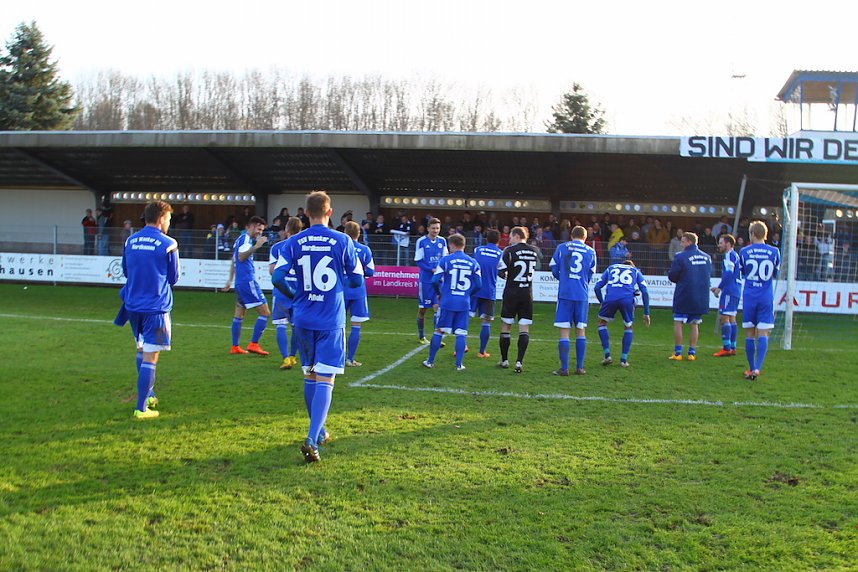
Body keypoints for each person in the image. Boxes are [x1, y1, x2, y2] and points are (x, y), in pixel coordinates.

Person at [271, 190, 363, 463]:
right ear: (330, 212)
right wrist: (338, 289)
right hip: (330, 319)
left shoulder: (293, 242)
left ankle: (320, 430)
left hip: (303, 318)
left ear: (305, 213)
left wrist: (295, 296)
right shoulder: (342, 240)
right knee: (326, 378)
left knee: (310, 375)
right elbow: (357, 280)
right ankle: (312, 438)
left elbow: (277, 278)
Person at [113, 200, 179, 420]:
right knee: (151, 357)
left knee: (141, 350)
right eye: (169, 219)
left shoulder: (130, 240)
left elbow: (125, 270)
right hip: (156, 308)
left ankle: (149, 394)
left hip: (133, 306)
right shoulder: (169, 243)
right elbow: (174, 278)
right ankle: (141, 408)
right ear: (161, 219)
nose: (169, 223)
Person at [421, 233, 482, 371]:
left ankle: (430, 361)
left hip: (447, 300)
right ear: (464, 245)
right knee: (461, 332)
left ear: (452, 245)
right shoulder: (473, 263)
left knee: (439, 330)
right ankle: (459, 364)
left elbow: (435, 280)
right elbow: (479, 285)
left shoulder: (445, 260)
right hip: (463, 302)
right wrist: (468, 293)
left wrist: (439, 293)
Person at [550, 225, 597, 375]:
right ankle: (580, 367)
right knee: (580, 330)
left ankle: (564, 368)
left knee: (564, 331)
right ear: (585, 238)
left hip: (565, 293)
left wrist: (563, 278)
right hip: (581, 294)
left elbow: (554, 269)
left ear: (571, 235)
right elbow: (590, 274)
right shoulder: (591, 251)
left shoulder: (562, 247)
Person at [739, 221, 781, 380]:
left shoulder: (744, 251)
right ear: (765, 234)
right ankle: (757, 368)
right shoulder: (774, 251)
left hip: (750, 296)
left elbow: (742, 272)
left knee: (750, 333)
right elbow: (775, 273)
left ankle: (751, 368)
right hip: (765, 296)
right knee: (763, 332)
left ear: (752, 234)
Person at [223, 216, 271, 355]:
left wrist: (230, 279)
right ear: (250, 227)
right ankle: (254, 344)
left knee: (239, 314)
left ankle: (235, 347)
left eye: (261, 230)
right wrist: (256, 246)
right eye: (258, 229)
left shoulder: (240, 239)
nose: (259, 233)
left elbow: (234, 259)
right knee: (265, 313)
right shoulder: (246, 240)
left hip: (240, 282)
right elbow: (241, 257)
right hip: (247, 281)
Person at [497, 226, 542, 373]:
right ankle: (519, 362)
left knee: (506, 326)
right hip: (527, 293)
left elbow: (500, 272)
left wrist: (509, 276)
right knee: (524, 327)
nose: (509, 239)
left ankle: (504, 360)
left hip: (511, 292)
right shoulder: (534, 250)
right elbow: (538, 266)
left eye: (510, 236)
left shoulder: (509, 250)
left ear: (516, 236)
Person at [593, 259, 651, 367]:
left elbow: (597, 287)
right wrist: (646, 312)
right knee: (628, 327)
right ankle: (623, 360)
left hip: (610, 298)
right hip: (627, 299)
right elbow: (645, 292)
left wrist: (602, 302)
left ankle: (607, 355)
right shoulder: (635, 271)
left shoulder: (611, 268)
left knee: (602, 323)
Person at [667, 232, 713, 361]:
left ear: (689, 242)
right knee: (694, 324)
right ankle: (692, 353)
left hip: (684, 293)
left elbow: (673, 276)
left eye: (682, 241)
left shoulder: (680, 257)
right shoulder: (707, 257)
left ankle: (678, 353)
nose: (681, 244)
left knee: (678, 322)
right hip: (700, 295)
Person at [268, 217, 303, 370]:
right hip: (299, 291)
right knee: (296, 326)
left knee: (281, 325)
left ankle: (285, 358)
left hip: (282, 290)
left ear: (287, 230)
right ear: (300, 230)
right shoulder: (304, 246)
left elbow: (272, 271)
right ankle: (293, 356)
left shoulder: (277, 247)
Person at [343, 220, 375, 367]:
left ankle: (337, 358)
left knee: (338, 325)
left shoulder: (340, 248)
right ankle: (350, 359)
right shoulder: (365, 249)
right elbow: (370, 271)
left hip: (340, 290)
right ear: (359, 233)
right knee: (356, 325)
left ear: (344, 232)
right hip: (357, 290)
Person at [470, 229, 503, 359]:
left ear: (486, 239)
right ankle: (481, 351)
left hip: (474, 288)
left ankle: (462, 346)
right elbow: (502, 271)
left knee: (465, 318)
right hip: (489, 291)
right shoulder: (500, 253)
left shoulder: (477, 250)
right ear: (498, 241)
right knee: (486, 322)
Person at [414, 217, 448, 343]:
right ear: (428, 228)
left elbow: (445, 258)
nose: (435, 230)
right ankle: (421, 336)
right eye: (433, 228)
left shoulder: (443, 241)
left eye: (438, 228)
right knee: (423, 309)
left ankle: (436, 337)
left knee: (437, 307)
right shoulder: (421, 242)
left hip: (439, 280)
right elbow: (418, 261)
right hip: (426, 280)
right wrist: (431, 269)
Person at [710, 234, 741, 357]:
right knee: (732, 318)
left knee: (724, 318)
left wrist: (719, 288)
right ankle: (732, 347)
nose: (719, 245)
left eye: (721, 242)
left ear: (728, 244)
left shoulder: (729, 255)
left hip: (729, 290)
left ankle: (726, 348)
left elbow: (728, 273)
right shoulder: (735, 255)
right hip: (736, 289)